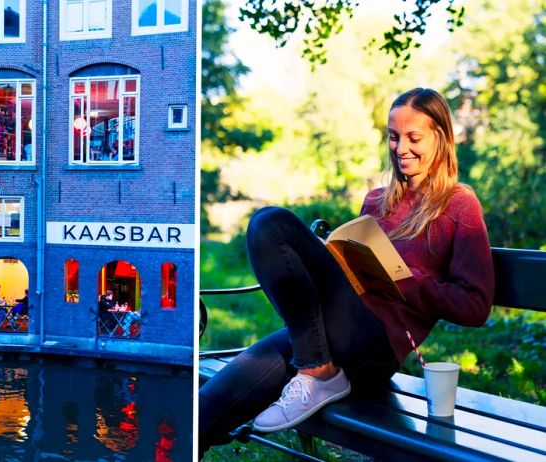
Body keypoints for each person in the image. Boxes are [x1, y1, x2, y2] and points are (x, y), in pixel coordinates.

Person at [199, 88, 495, 454]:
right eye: (393, 136)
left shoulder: (459, 206)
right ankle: (317, 370)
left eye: (413, 137)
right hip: (323, 337)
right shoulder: (377, 200)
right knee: (202, 411)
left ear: (441, 137)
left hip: (374, 347)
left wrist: (405, 280)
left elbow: (476, 305)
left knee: (273, 223)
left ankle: (317, 371)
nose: (401, 147)